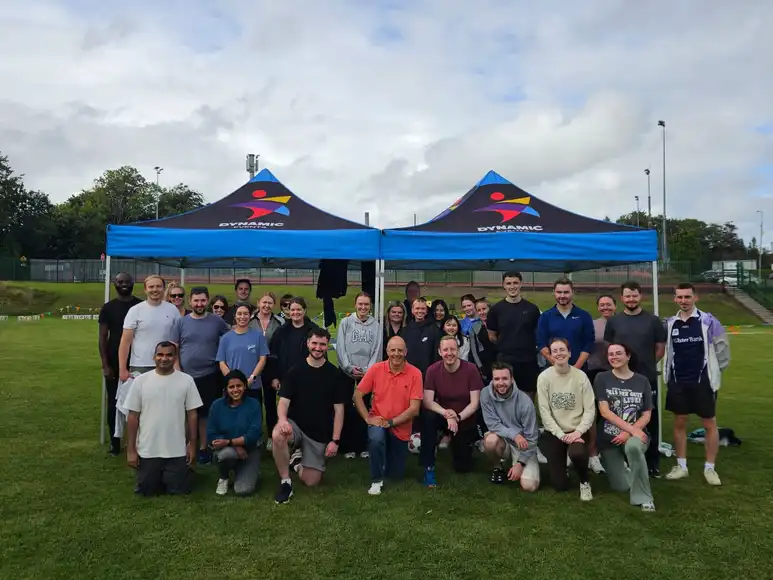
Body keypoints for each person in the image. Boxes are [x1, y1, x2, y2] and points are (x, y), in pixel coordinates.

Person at [663, 282, 730, 486]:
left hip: (703, 382)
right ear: (675, 299)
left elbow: (723, 350)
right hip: (678, 381)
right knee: (680, 422)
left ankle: (710, 468)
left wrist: (715, 373)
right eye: (680, 297)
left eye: (687, 297)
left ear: (695, 298)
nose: (683, 300)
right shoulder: (670, 324)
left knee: (709, 423)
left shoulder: (708, 321)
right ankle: (681, 466)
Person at [272, 329, 346, 504]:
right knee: (278, 434)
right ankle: (285, 481)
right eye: (314, 343)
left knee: (312, 481)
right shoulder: (295, 370)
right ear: (308, 344)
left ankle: (296, 461)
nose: (318, 348)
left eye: (322, 344)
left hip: (319, 433)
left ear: (328, 346)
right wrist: (282, 421)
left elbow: (339, 410)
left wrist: (335, 441)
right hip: (295, 426)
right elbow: (283, 402)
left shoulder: (334, 374)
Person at [604, 280, 667, 477]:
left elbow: (660, 349)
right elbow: (610, 349)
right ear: (622, 298)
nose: (631, 299)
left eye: (634, 295)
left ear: (640, 296)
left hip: (645, 378)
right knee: (622, 418)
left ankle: (652, 462)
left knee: (649, 419)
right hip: (620, 379)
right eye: (627, 296)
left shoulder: (653, 321)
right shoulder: (614, 321)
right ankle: (623, 460)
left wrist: (646, 364)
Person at [124, 342, 202, 496]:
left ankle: (182, 473)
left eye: (169, 355)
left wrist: (192, 445)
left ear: (175, 358)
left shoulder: (186, 380)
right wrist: (131, 450)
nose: (164, 358)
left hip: (176, 450)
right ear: (154, 357)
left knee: (178, 490)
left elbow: (192, 415)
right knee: (147, 491)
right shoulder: (141, 381)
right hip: (148, 450)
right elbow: (133, 417)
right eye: (160, 354)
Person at [354, 336, 423, 496]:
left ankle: (384, 460)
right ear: (387, 351)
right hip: (378, 421)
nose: (396, 354)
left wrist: (390, 422)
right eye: (393, 350)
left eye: (400, 350)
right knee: (377, 438)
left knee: (396, 475)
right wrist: (367, 418)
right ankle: (376, 480)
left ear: (406, 352)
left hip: (400, 426)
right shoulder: (377, 369)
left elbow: (414, 409)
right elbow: (357, 395)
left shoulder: (415, 373)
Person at [170, 286, 231, 465]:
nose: (199, 304)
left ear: (207, 300)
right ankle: (187, 446)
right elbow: (174, 347)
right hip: (185, 375)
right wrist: (177, 369)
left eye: (203, 300)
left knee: (205, 414)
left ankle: (204, 448)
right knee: (186, 413)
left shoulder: (217, 322)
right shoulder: (181, 322)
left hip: (209, 375)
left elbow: (230, 338)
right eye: (196, 300)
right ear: (190, 301)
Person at [594, 343, 656, 511]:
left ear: (628, 356)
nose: (614, 357)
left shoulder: (642, 381)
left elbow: (646, 415)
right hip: (609, 438)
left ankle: (644, 498)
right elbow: (605, 412)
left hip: (635, 436)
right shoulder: (602, 378)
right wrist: (631, 430)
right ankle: (632, 471)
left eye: (619, 353)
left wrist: (631, 433)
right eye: (611, 354)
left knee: (634, 448)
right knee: (620, 486)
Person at [537, 338, 596, 501]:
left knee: (577, 453)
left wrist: (577, 432)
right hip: (555, 432)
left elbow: (590, 409)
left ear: (569, 353)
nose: (559, 353)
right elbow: (544, 412)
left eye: (562, 350)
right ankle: (564, 468)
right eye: (554, 351)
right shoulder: (544, 377)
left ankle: (585, 482)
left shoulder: (580, 376)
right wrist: (560, 435)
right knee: (560, 485)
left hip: (577, 430)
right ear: (550, 355)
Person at [421, 336, 482, 487]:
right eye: (445, 350)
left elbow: (475, 403)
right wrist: (447, 414)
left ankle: (460, 442)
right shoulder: (433, 370)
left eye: (453, 349)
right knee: (427, 417)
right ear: (440, 352)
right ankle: (428, 465)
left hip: (464, 416)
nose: (449, 353)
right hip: (443, 415)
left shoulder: (471, 369)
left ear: (459, 351)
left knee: (462, 467)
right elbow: (428, 401)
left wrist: (458, 417)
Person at [265, 297, 321, 452]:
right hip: (286, 377)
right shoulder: (282, 331)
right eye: (292, 310)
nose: (295, 313)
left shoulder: (312, 330)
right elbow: (273, 355)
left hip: (307, 377)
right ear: (288, 312)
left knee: (306, 409)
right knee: (287, 410)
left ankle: (306, 442)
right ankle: (288, 440)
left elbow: (320, 353)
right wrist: (275, 376)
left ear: (304, 311)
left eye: (298, 309)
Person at [98, 272, 141, 455]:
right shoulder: (108, 308)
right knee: (114, 402)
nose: (123, 284)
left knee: (140, 403)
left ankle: (139, 441)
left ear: (133, 284)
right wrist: (105, 365)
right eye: (120, 282)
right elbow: (102, 337)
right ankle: (115, 442)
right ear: (115, 284)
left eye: (127, 282)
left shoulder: (140, 306)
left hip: (137, 360)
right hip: (114, 361)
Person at [480, 362, 540, 492]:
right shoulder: (485, 394)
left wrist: (521, 463)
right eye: (497, 379)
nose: (501, 383)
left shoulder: (525, 402)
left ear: (512, 379)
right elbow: (492, 424)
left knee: (530, 486)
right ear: (492, 379)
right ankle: (497, 467)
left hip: (523, 445)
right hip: (503, 440)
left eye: (505, 378)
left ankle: (520, 463)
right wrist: (514, 434)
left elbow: (532, 438)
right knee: (490, 441)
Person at [336, 292, 382, 459]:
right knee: (347, 408)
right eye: (360, 304)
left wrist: (368, 370)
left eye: (366, 305)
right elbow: (340, 347)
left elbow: (377, 349)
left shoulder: (375, 325)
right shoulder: (346, 322)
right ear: (355, 305)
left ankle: (364, 445)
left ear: (370, 306)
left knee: (366, 409)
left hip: (367, 374)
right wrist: (348, 367)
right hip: (347, 372)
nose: (363, 308)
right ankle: (348, 446)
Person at [486, 271, 541, 400]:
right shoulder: (496, 310)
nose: (512, 286)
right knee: (505, 396)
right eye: (509, 283)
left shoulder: (532, 309)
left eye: (515, 283)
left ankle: (525, 420)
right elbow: (492, 336)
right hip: (505, 360)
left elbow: (537, 333)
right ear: (504, 286)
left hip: (528, 361)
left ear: (521, 284)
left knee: (527, 397)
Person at [207, 370, 262, 497]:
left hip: (250, 450)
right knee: (227, 455)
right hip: (226, 450)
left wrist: (229, 441)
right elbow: (211, 435)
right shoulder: (217, 406)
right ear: (226, 389)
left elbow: (254, 434)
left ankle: (246, 470)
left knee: (243, 490)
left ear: (245, 386)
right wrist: (234, 445)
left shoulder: (254, 405)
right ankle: (224, 477)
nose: (235, 390)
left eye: (239, 386)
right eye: (231, 387)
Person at [118, 275, 180, 382]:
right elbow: (125, 342)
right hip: (141, 365)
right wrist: (122, 369)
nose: (155, 290)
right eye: (151, 287)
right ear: (145, 289)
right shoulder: (135, 311)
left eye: (158, 286)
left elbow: (177, 340)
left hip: (167, 363)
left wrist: (176, 363)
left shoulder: (172, 309)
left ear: (164, 289)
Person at [537, 278, 595, 371]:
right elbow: (541, 343)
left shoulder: (584, 316)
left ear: (572, 292)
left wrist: (576, 368)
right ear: (554, 292)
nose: (562, 296)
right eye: (559, 292)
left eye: (566, 292)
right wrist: (557, 365)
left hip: (579, 369)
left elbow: (588, 343)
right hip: (553, 369)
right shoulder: (546, 316)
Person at [216, 304, 270, 401]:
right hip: (232, 388)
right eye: (239, 314)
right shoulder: (226, 338)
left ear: (250, 316)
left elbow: (262, 360)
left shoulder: (258, 336)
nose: (242, 317)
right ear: (235, 316)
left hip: (253, 386)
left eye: (245, 314)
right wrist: (232, 380)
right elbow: (221, 362)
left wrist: (252, 378)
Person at [399, 298, 441, 376]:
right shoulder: (405, 331)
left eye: (423, 309)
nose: (420, 311)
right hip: (408, 374)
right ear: (412, 310)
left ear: (426, 311)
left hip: (428, 375)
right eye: (417, 308)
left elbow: (437, 355)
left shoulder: (434, 330)